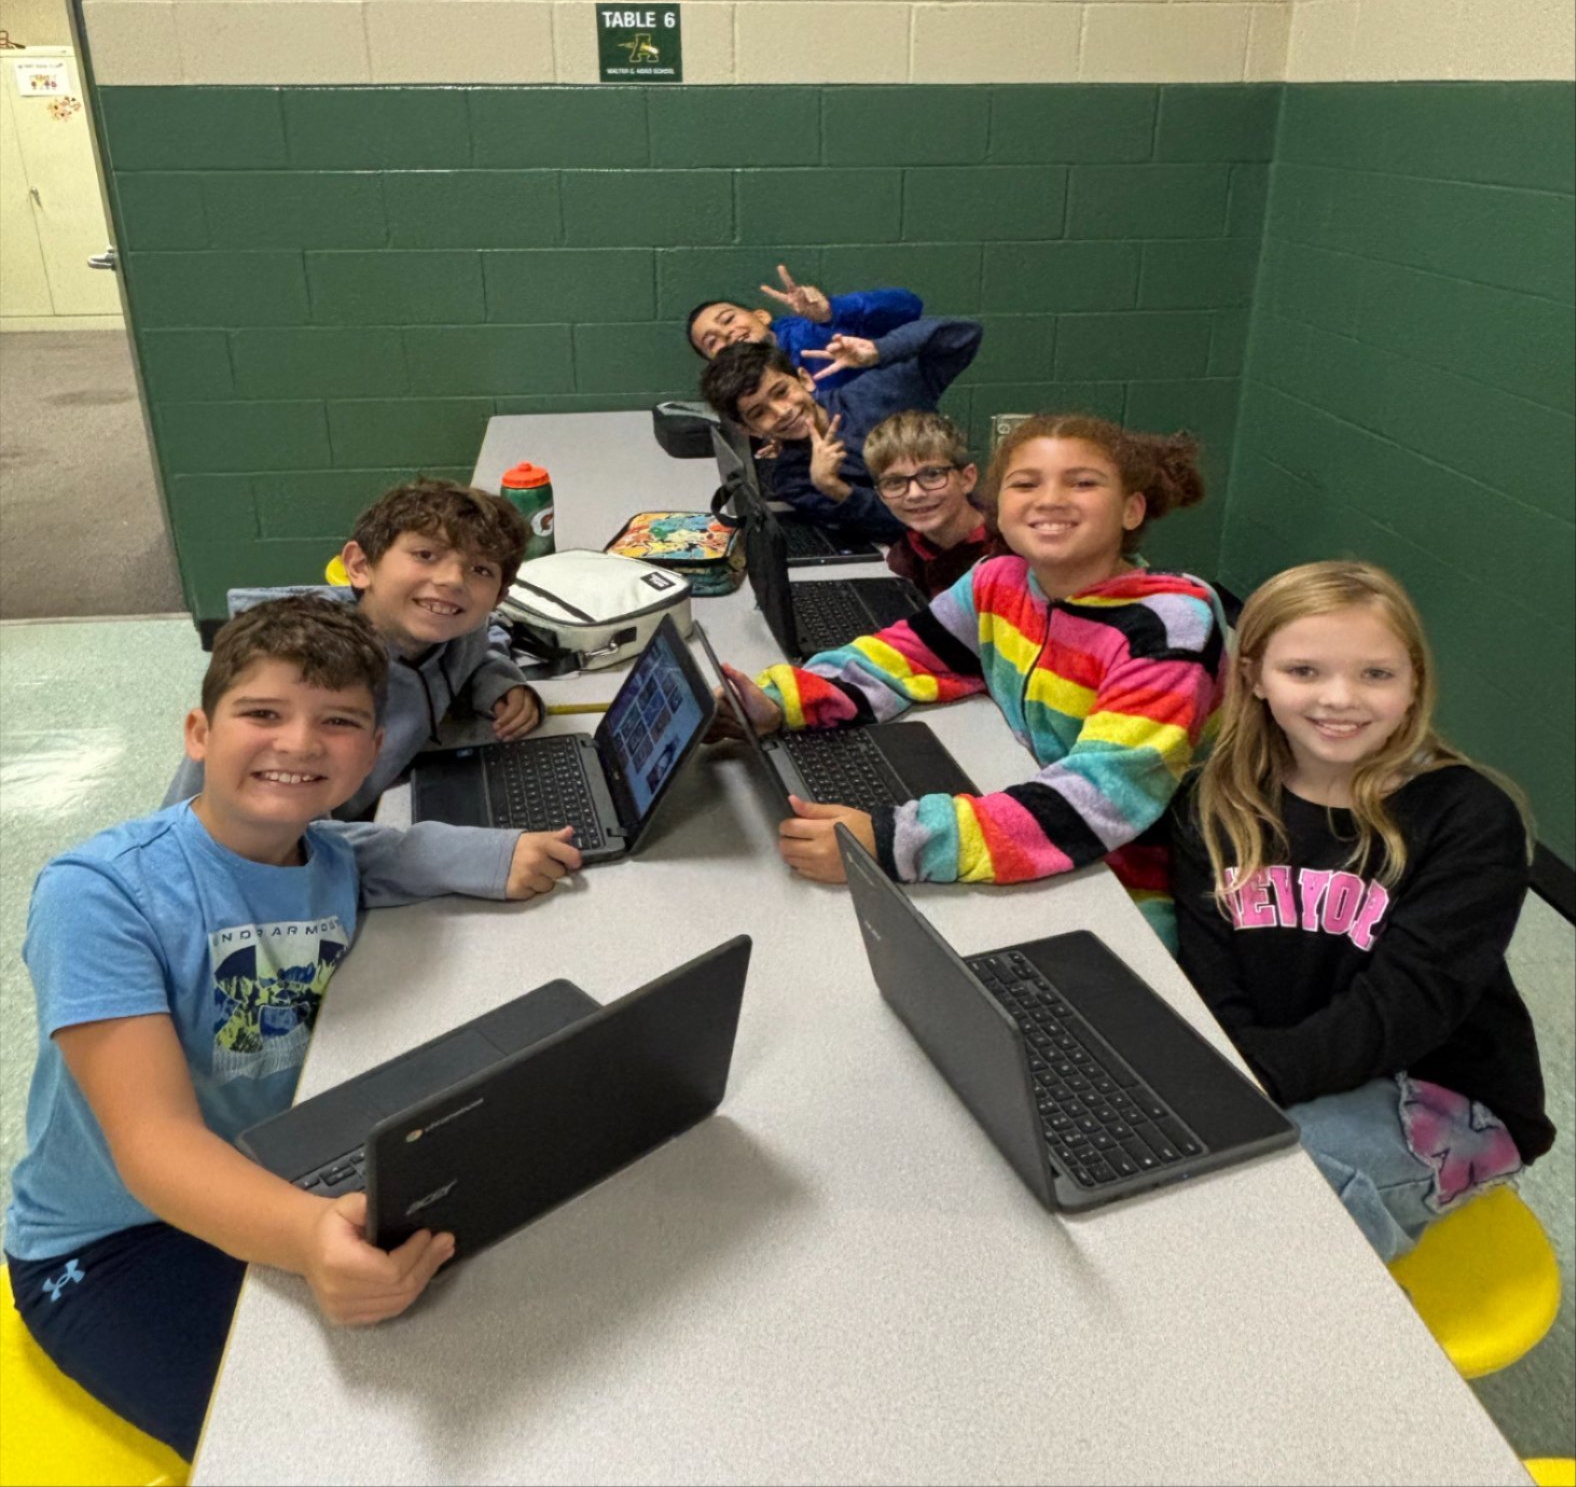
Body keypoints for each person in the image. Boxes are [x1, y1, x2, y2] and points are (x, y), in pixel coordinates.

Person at [4, 596, 583, 1461]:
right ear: (198, 733)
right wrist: (308, 1237)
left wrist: (500, 856)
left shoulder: (333, 855)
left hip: (282, 1168)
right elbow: (154, 1144)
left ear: (372, 751)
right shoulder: (98, 895)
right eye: (263, 714)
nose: (301, 743)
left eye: (339, 721)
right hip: (117, 1240)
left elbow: (401, 852)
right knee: (302, 1450)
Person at [715, 412, 1226, 949]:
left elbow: (1102, 795)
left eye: (1082, 483)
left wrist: (892, 843)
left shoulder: (1168, 628)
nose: (1050, 500)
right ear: (998, 504)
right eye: (1025, 484)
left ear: (1131, 509)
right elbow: (906, 656)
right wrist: (780, 703)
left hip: (1151, 866)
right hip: (1040, 816)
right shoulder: (998, 580)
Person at [1170, 560, 1554, 1261]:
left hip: (1446, 1091)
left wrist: (1239, 1092)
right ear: (1254, 676)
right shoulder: (1214, 804)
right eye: (1304, 671)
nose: (1340, 698)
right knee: (1182, 1175)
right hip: (1283, 1061)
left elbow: (1408, 1005)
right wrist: (1224, 1083)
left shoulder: (1469, 816)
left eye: (1376, 674)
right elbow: (1212, 982)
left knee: (1276, 1189)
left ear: (1414, 685)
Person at [165, 477, 541, 821]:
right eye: (426, 555)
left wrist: (497, 681)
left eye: (480, 570)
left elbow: (484, 637)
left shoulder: (452, 629)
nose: (452, 580)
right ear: (360, 566)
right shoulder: (303, 675)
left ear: (497, 597)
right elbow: (281, 834)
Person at [700, 312, 983, 544]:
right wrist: (834, 488)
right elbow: (897, 530)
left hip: (975, 530)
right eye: (759, 413)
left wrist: (880, 350)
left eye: (781, 392)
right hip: (922, 555)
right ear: (749, 429)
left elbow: (965, 334)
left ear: (804, 379)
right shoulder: (794, 479)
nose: (782, 411)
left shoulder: (878, 391)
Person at [685, 263, 922, 392]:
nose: (727, 334)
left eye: (728, 319)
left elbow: (910, 307)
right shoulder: (742, 389)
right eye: (712, 342)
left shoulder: (815, 333)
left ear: (762, 316)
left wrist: (833, 311)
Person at [863, 410, 998, 599]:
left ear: (967, 479)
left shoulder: (1006, 550)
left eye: (932, 475)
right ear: (881, 495)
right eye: (895, 482)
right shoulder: (904, 558)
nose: (915, 494)